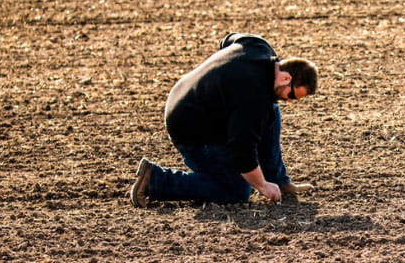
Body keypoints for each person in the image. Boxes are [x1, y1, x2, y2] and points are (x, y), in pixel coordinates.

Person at [130, 33, 318, 208]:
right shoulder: (252, 100)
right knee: (235, 190)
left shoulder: (258, 47)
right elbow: (242, 152)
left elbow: (228, 40)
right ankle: (156, 180)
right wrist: (261, 186)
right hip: (190, 130)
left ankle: (278, 181)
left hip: (182, 96)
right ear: (285, 77)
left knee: (273, 107)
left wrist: (223, 81)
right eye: (292, 95)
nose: (290, 101)